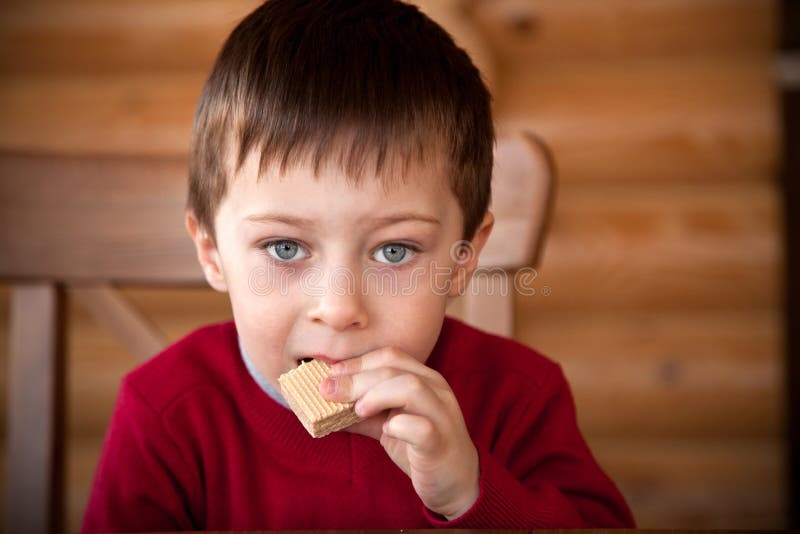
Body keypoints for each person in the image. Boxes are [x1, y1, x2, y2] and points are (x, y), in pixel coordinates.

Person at [82, 0, 636, 530]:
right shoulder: (165, 414)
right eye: (284, 247)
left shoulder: (519, 397)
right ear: (211, 252)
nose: (339, 309)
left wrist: (469, 493)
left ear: (462, 259)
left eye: (394, 251)